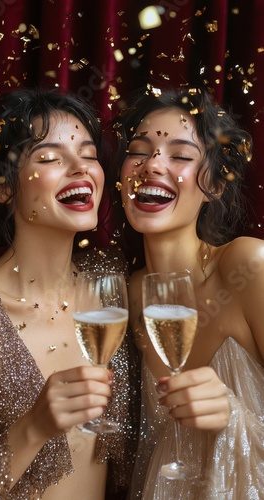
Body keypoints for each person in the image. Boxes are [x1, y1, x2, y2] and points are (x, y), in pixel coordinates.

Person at [0, 88, 139, 499]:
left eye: (88, 154)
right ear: (1, 189)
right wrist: (33, 426)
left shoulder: (112, 283)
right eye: (50, 158)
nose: (80, 169)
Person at [110, 85, 264, 498]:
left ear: (215, 184)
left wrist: (233, 416)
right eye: (139, 150)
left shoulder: (249, 266)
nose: (152, 165)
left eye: (179, 155)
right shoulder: (127, 295)